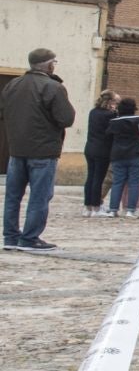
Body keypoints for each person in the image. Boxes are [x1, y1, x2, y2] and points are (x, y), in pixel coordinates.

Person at [2, 49, 76, 251]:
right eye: (54, 62)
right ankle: (30, 238)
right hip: (43, 151)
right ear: (49, 64)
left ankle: (10, 237)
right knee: (39, 196)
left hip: (17, 150)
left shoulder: (13, 85)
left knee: (13, 196)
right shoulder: (53, 87)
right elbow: (66, 118)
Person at [82, 89, 118, 217]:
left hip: (90, 148)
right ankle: (96, 207)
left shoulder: (93, 112)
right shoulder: (110, 115)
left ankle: (87, 207)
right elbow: (111, 132)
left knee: (90, 177)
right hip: (103, 149)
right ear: (110, 101)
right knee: (99, 178)